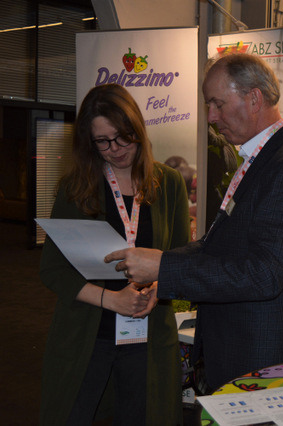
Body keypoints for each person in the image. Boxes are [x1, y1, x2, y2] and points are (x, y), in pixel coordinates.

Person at [105, 52, 283, 391]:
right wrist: (161, 275)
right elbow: (218, 246)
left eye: (218, 104)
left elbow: (264, 274)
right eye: (209, 105)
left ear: (254, 99)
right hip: (242, 351)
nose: (211, 117)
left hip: (261, 359)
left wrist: (164, 267)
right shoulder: (263, 158)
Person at [39, 84, 191, 425]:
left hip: (149, 338)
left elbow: (180, 261)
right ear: (89, 142)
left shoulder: (169, 184)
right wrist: (113, 300)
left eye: (123, 137)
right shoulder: (76, 188)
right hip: (86, 336)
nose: (116, 149)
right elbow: (52, 270)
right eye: (103, 141)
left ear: (137, 130)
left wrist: (156, 290)